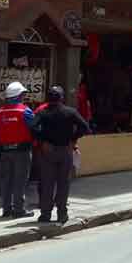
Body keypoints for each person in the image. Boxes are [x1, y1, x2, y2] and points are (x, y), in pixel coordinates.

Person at [34, 86, 91, 224]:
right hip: (65, 150)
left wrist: (42, 141)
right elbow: (85, 128)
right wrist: (73, 139)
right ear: (62, 98)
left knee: (47, 183)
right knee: (63, 183)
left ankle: (45, 214)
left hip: (48, 151)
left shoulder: (43, 113)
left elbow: (32, 128)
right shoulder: (70, 112)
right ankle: (61, 214)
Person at [0, 81, 37, 218]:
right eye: (23, 94)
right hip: (22, 151)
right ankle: (19, 210)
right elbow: (35, 128)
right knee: (20, 181)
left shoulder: (0, 113)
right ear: (19, 96)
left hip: (5, 151)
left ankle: (6, 209)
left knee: (6, 181)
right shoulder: (25, 111)